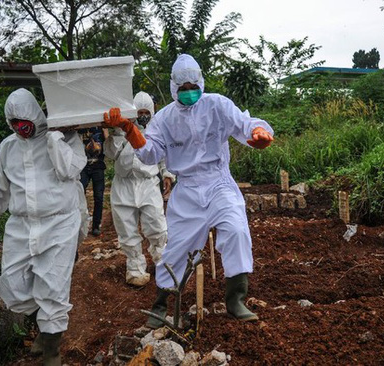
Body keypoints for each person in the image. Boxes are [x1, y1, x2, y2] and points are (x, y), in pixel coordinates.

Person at [103, 54, 274, 328]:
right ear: (174, 88)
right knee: (177, 248)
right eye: (183, 89)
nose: (189, 93)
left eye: (193, 86)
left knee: (237, 230)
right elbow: (149, 153)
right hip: (187, 187)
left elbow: (245, 124)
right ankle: (161, 305)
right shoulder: (164, 119)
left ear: (201, 83)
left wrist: (259, 134)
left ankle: (235, 299)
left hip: (219, 182)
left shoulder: (217, 105)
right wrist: (128, 128)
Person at [0, 88, 87, 366]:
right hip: (22, 225)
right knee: (14, 285)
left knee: (53, 286)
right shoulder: (8, 147)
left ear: (35, 114)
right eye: (13, 123)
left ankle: (52, 351)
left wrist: (56, 135)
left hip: (59, 222)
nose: (19, 127)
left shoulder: (65, 137)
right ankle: (42, 327)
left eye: (23, 120)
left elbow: (70, 169)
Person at [104, 91, 174, 286]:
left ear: (151, 112)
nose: (143, 116)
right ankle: (135, 268)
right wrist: (118, 131)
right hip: (123, 184)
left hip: (148, 183)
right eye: (139, 112)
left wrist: (167, 174)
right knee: (126, 229)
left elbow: (163, 156)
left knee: (156, 225)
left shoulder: (157, 130)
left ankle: (163, 263)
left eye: (146, 112)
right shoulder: (122, 130)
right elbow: (111, 153)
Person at [79, 127, 105, 237]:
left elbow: (100, 147)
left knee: (98, 196)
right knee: (79, 194)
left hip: (98, 165)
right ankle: (80, 222)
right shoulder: (79, 129)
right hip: (83, 166)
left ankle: (96, 225)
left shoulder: (99, 129)